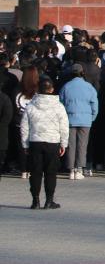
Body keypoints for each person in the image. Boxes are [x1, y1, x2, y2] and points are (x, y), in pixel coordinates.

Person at [20, 76, 69, 209]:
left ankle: (35, 201)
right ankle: (49, 200)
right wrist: (63, 143)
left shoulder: (31, 106)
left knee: (35, 172)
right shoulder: (59, 107)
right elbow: (64, 127)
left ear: (38, 89)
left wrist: (25, 144)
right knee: (51, 173)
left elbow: (24, 126)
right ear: (52, 89)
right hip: (52, 142)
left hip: (35, 141)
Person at [58, 63, 98, 180]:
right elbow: (94, 104)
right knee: (82, 145)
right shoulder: (89, 87)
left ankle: (71, 170)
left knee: (70, 145)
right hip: (85, 120)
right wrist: (92, 117)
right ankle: (79, 169)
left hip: (69, 119)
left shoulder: (66, 87)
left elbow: (61, 104)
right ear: (82, 73)